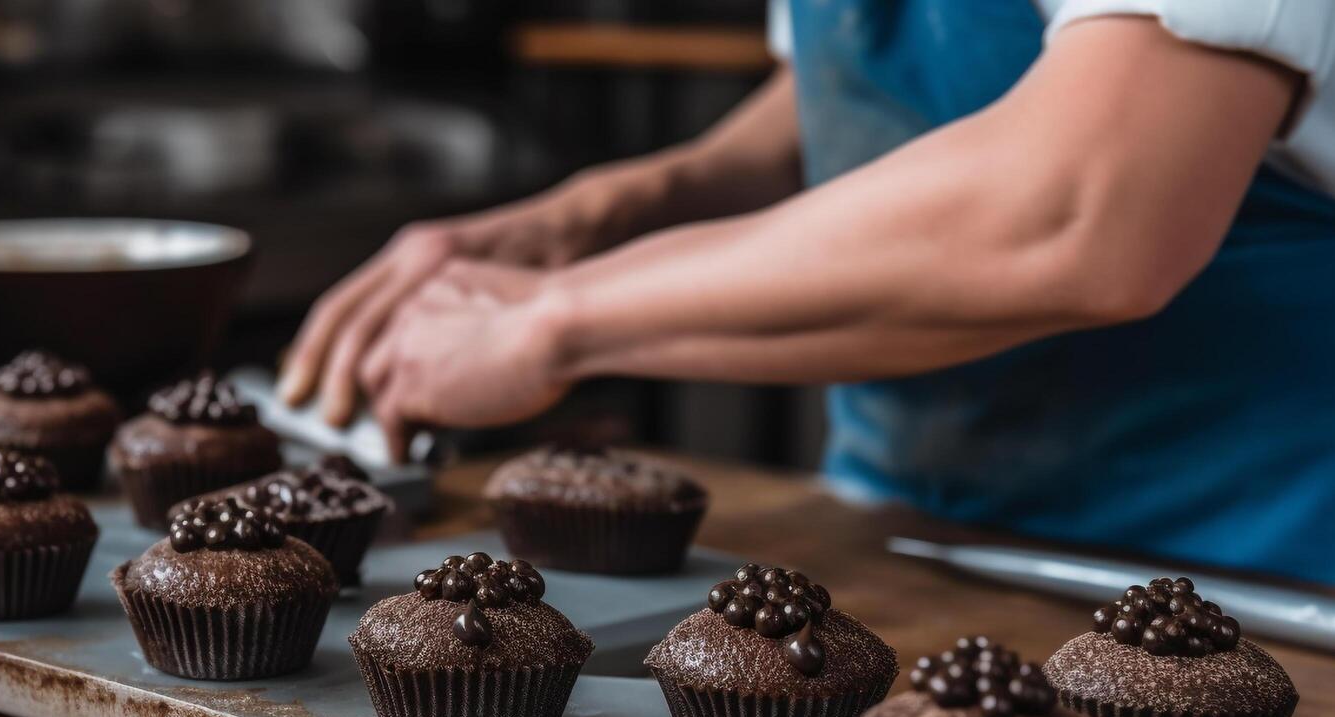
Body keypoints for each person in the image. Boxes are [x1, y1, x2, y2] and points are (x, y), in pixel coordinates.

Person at [277, 1, 1335, 585]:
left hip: (1254, 584)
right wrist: (594, 212)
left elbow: (1085, 213)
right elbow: (845, 99)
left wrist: (551, 320)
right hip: (904, 533)